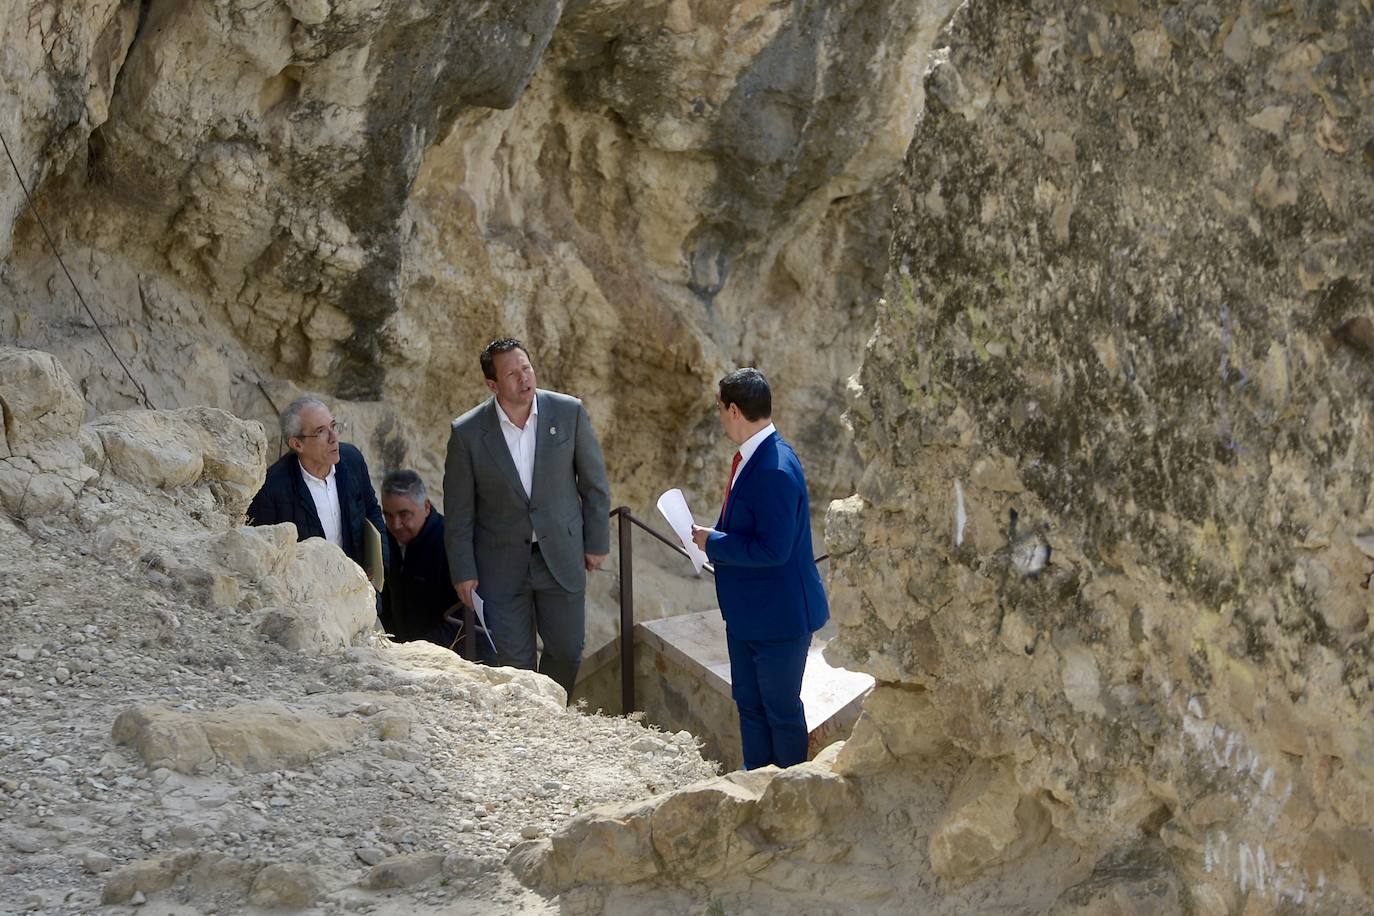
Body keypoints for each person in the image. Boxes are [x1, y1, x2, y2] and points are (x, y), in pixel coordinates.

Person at [443, 337, 611, 697]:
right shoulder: (467, 433)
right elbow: (459, 512)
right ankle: (529, 728)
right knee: (514, 663)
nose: (523, 378)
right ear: (492, 385)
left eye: (526, 368)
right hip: (499, 566)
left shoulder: (569, 412)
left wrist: (596, 542)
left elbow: (594, 484)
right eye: (511, 373)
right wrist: (463, 571)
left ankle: (554, 717)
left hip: (561, 558)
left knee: (567, 650)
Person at [691, 368, 828, 770]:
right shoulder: (757, 457)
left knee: (781, 714)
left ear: (734, 410)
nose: (719, 418)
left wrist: (712, 543)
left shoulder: (774, 469)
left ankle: (785, 799)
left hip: (779, 621)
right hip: (751, 616)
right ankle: (755, 788)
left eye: (720, 409)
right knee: (750, 708)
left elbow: (774, 548)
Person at [247, 396, 388, 578]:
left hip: (359, 586)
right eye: (321, 431)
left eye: (333, 426)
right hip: (309, 595)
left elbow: (372, 511)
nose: (334, 438)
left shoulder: (352, 460)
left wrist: (379, 564)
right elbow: (265, 553)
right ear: (297, 444)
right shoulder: (271, 488)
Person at [379, 469, 479, 654]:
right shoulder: (386, 542)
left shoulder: (452, 545)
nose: (396, 525)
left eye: (404, 515)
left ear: (426, 507)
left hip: (450, 658)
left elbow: (468, 615)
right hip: (402, 656)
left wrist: (421, 650)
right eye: (389, 516)